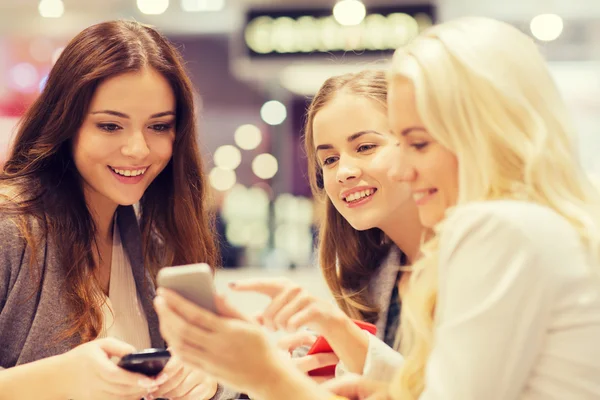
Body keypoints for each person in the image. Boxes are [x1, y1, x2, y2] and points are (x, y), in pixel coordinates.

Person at [155, 16, 600, 400]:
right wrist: (347, 342)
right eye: (328, 159)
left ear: (481, 132)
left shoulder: (500, 229)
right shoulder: (528, 226)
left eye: (417, 143)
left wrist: (264, 375)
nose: (402, 167)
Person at [0, 20, 228, 400]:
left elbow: (208, 371)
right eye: (110, 126)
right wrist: (55, 379)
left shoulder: (159, 238)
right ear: (65, 123)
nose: (137, 149)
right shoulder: (11, 228)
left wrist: (207, 379)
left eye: (158, 126)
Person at [229, 70, 423, 379]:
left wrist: (343, 335)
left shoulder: (475, 257)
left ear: (416, 143)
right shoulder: (370, 275)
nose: (343, 171)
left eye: (365, 147)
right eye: (329, 160)